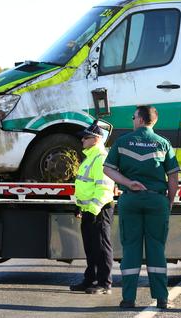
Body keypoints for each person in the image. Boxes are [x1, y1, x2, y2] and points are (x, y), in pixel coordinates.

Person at [103, 106, 179, 310]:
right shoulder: (163, 143)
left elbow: (108, 169)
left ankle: (128, 299)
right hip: (157, 201)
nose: (132, 119)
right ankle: (162, 298)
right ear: (153, 121)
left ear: (140, 119)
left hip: (131, 200)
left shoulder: (123, 141)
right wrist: (169, 201)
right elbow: (173, 177)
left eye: (133, 116)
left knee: (131, 248)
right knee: (156, 249)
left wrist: (128, 184)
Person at [69, 121, 115, 295]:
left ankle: (105, 283)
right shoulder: (91, 158)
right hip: (90, 210)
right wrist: (81, 207)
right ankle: (91, 280)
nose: (82, 141)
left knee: (102, 247)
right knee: (91, 247)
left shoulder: (101, 158)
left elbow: (104, 188)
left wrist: (93, 210)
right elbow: (85, 187)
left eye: (85, 138)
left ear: (95, 139)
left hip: (99, 210)